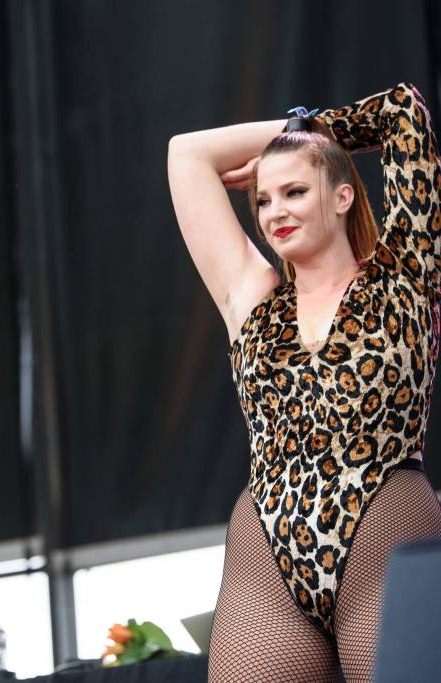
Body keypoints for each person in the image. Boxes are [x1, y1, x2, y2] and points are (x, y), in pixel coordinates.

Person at [168, 83, 441, 681]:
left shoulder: (403, 275)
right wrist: (289, 144)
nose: (275, 212)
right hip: (268, 546)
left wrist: (309, 132)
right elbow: (187, 153)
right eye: (264, 199)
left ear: (343, 196)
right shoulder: (251, 296)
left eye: (295, 191)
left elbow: (402, 111)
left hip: (384, 521)